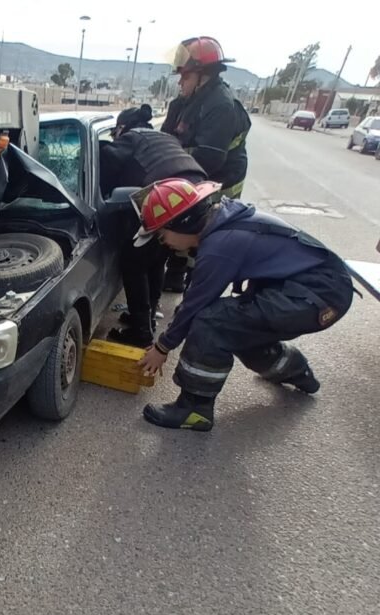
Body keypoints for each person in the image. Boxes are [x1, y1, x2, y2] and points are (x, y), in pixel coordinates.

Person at [132, 178, 354, 431]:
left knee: (212, 322)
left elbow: (194, 304)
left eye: (162, 235)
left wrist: (162, 347)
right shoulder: (223, 221)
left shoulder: (220, 246)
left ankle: (194, 408)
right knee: (237, 328)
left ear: (183, 222)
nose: (164, 243)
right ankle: (295, 371)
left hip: (317, 295)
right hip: (322, 290)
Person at [99, 105, 207, 346]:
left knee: (133, 261)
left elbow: (106, 162)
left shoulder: (131, 137)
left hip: (172, 199)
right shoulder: (162, 137)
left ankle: (140, 333)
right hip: (195, 194)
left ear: (121, 128)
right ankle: (147, 319)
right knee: (156, 259)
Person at [161, 36, 252, 293]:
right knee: (183, 221)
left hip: (221, 181)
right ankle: (176, 275)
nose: (180, 82)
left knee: (206, 236)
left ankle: (196, 292)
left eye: (185, 77)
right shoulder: (187, 101)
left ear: (203, 75)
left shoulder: (221, 105)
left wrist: (171, 160)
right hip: (196, 177)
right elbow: (169, 136)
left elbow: (209, 157)